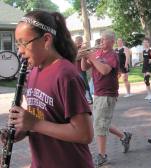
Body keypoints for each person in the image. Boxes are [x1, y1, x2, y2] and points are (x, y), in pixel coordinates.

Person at [1, 11, 94, 168]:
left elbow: (84, 134)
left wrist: (34, 124)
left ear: (46, 40)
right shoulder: (33, 73)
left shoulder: (66, 75)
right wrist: (22, 129)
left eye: (24, 43)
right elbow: (45, 118)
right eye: (18, 44)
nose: (19, 51)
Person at [81, 31, 132, 167]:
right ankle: (124, 136)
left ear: (111, 41)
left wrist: (92, 58)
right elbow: (84, 67)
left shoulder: (113, 56)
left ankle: (102, 156)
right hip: (97, 93)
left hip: (107, 94)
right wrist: (84, 56)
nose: (101, 41)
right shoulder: (98, 53)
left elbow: (104, 70)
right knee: (102, 122)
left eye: (104, 40)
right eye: (101, 39)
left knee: (99, 124)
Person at [74, 35, 93, 104]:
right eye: (76, 41)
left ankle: (89, 98)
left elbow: (77, 57)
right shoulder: (74, 49)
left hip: (81, 70)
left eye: (78, 41)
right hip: (74, 70)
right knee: (77, 85)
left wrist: (80, 49)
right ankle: (81, 100)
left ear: (81, 41)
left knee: (85, 84)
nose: (77, 42)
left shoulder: (83, 48)